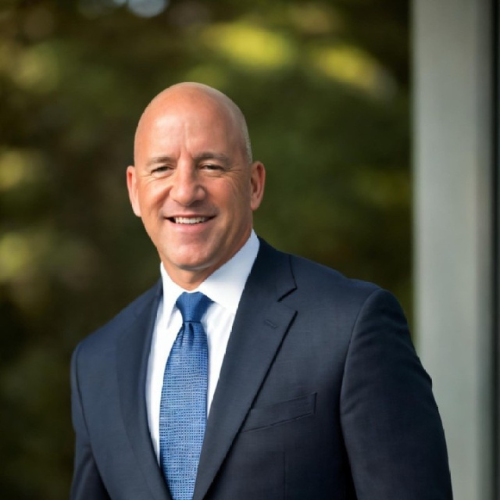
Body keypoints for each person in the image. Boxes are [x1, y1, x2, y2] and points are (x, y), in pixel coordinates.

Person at [70, 82, 453, 500]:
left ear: (254, 185)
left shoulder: (350, 326)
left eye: (210, 166)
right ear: (134, 190)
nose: (185, 191)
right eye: (162, 168)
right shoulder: (96, 364)